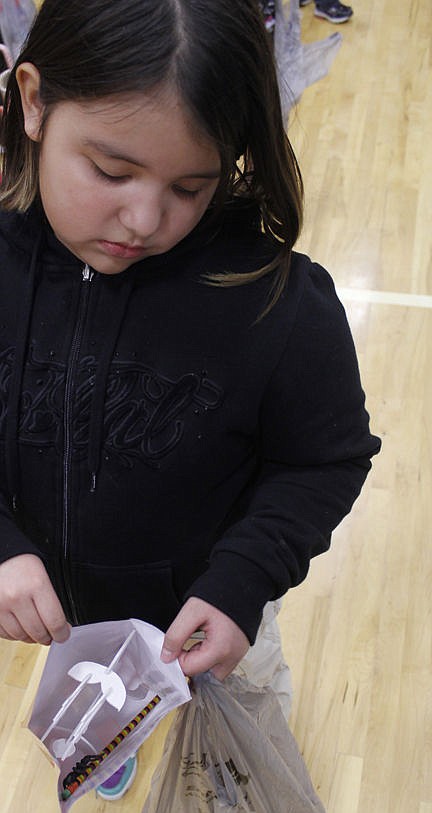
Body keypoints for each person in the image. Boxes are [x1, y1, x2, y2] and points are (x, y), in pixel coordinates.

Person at [0, 0, 380, 805]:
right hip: (73, 627)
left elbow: (328, 456)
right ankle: (112, 738)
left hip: (212, 619)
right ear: (32, 100)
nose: (143, 219)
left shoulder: (278, 305)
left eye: (190, 187)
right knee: (97, 718)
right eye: (109, 170)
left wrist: (243, 583)